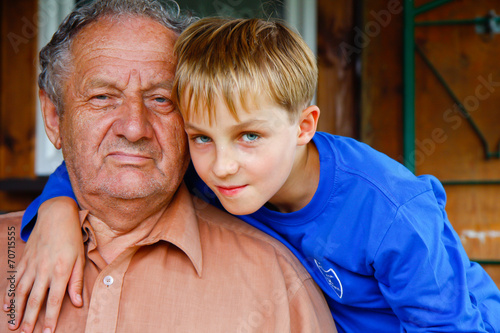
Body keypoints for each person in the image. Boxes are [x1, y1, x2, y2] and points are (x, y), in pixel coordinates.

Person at [6, 14, 500, 333]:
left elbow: (449, 325)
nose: (222, 163)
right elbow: (107, 162)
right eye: (201, 136)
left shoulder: (390, 211)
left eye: (249, 136)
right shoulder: (220, 174)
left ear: (305, 125)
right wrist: (56, 207)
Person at [0, 2, 338, 333]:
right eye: (103, 97)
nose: (134, 128)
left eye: (162, 99)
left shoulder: (278, 282)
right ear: (54, 117)